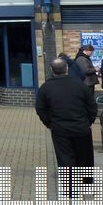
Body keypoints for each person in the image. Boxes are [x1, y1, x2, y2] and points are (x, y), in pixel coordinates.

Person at [35, 58, 97, 193]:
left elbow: (40, 108)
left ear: (52, 70)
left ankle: (70, 189)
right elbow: (92, 105)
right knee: (84, 156)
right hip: (81, 127)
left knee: (65, 158)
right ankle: (86, 183)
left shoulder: (45, 87)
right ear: (67, 69)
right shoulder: (80, 85)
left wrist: (49, 123)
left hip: (60, 128)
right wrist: (89, 121)